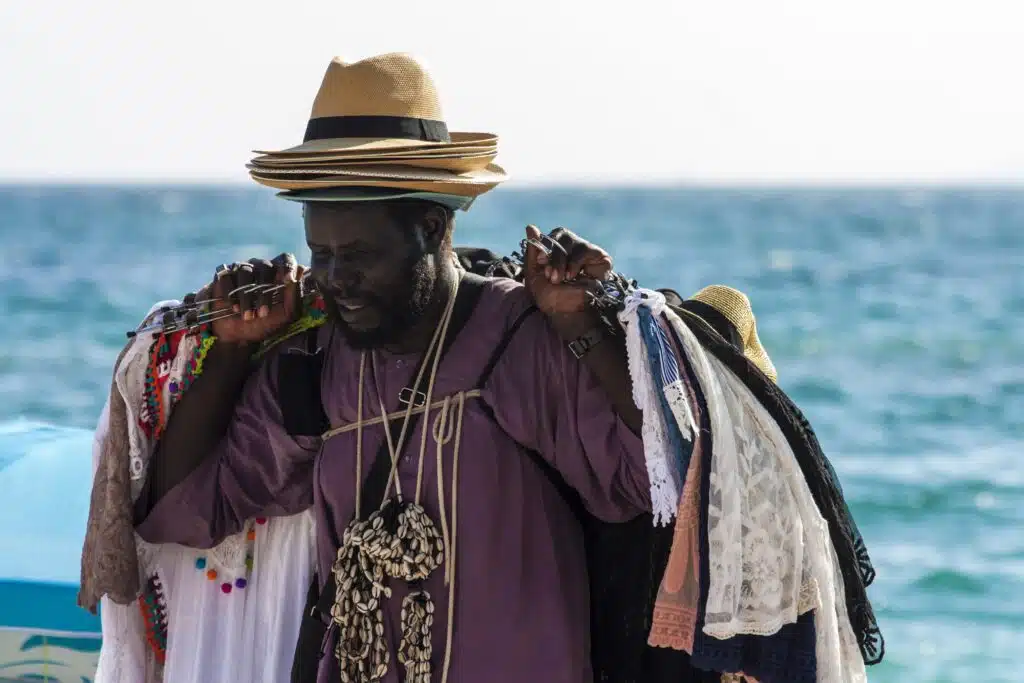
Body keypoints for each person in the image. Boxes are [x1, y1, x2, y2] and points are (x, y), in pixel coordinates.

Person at [131, 53, 882, 683]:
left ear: (433, 226)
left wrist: (578, 325)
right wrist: (232, 349)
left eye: (358, 255)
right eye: (320, 253)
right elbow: (185, 510)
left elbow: (656, 483)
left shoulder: (519, 338)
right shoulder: (313, 364)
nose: (336, 279)